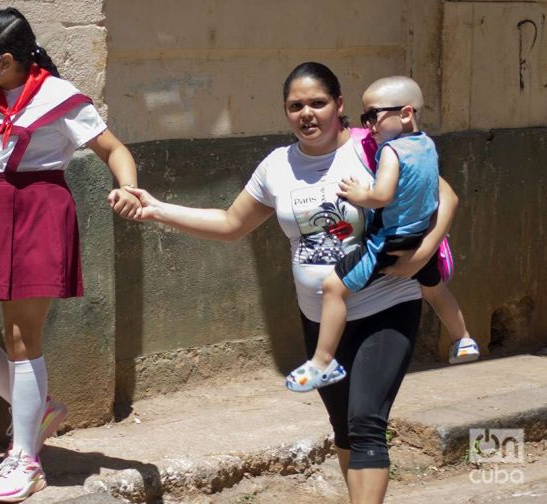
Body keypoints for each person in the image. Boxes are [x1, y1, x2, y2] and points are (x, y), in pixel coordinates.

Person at [126, 62, 458, 503]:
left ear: (339, 105)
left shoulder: (373, 149)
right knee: (344, 430)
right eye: (295, 106)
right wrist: (157, 210)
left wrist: (420, 255)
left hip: (386, 303)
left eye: (318, 103)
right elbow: (230, 223)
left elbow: (445, 195)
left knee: (366, 423)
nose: (307, 114)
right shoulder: (278, 166)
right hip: (320, 318)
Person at [0, 7, 140, 502]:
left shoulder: (60, 97)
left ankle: (26, 458)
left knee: (23, 338)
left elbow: (114, 150)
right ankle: (38, 411)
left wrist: (128, 187)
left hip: (39, 209)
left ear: (6, 59)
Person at [287, 76, 479, 393]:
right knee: (435, 289)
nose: (369, 125)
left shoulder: (390, 151)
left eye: (372, 116)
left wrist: (360, 194)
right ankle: (463, 339)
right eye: (365, 118)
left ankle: (323, 361)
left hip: (389, 241)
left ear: (404, 113)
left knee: (334, 288)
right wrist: (423, 252)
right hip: (419, 236)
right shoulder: (428, 145)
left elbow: (382, 196)